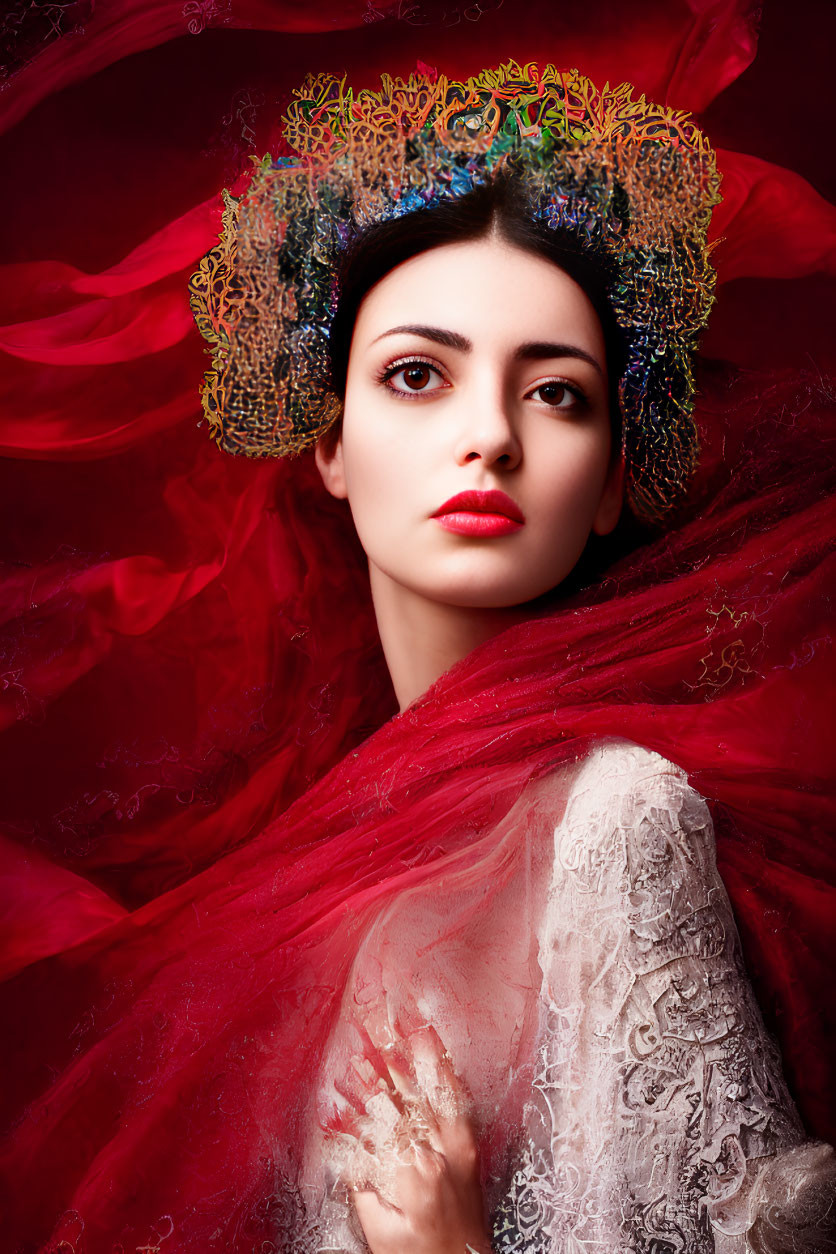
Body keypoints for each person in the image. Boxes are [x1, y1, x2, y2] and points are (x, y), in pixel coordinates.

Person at [187, 63, 835, 1250]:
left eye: (553, 393)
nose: (488, 434)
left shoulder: (615, 820)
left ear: (604, 492)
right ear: (330, 443)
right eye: (417, 375)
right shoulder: (321, 850)